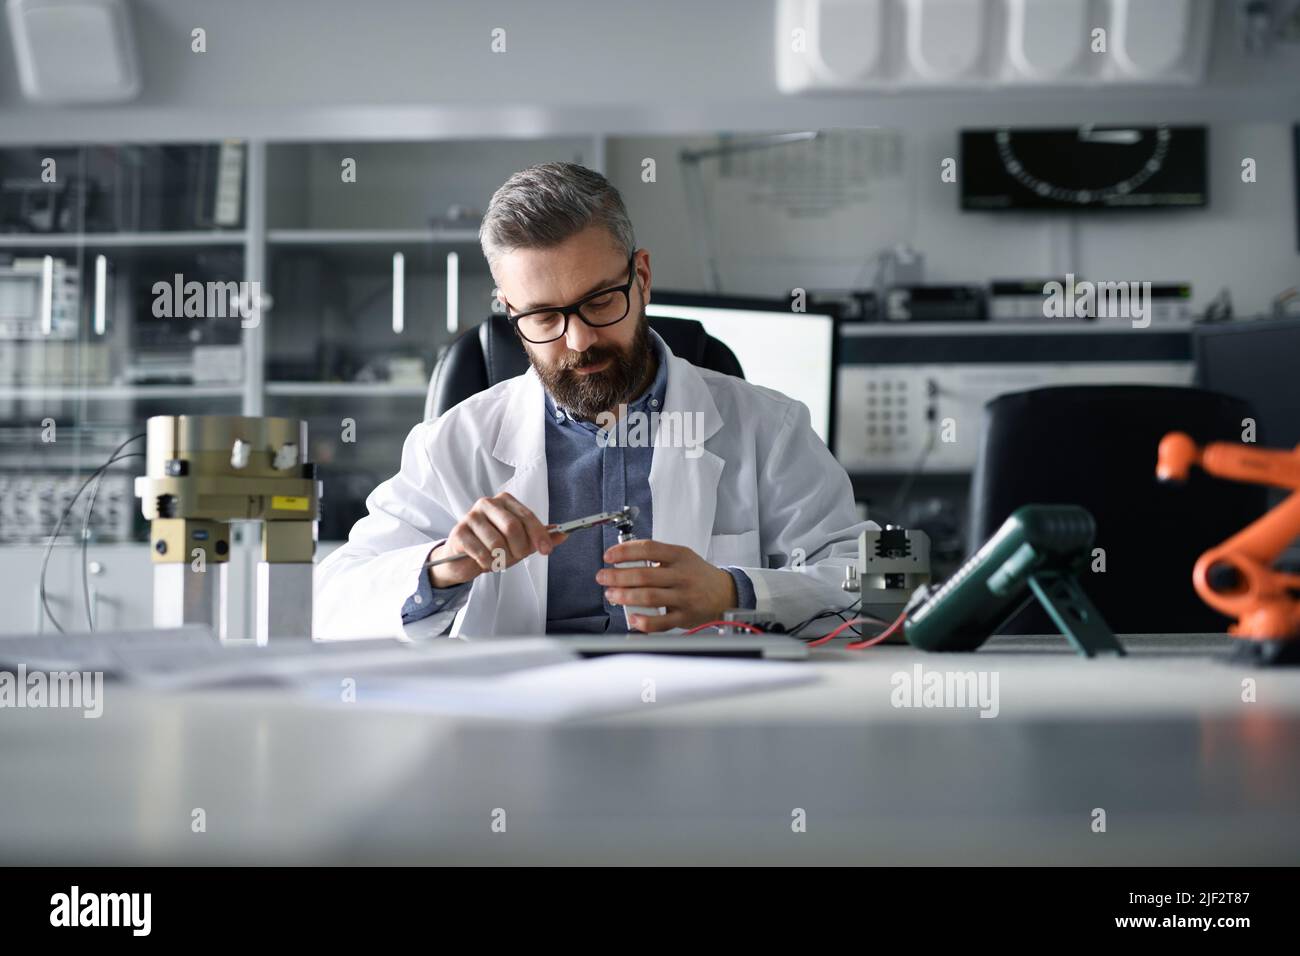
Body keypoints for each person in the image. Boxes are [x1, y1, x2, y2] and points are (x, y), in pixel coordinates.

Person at [313, 162, 868, 639]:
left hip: (698, 725)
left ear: (642, 278)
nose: (578, 341)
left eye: (600, 301)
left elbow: (872, 585)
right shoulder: (454, 446)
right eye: (543, 317)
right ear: (511, 313)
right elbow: (332, 600)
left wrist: (736, 590)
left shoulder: (768, 429)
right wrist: (438, 568)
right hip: (519, 735)